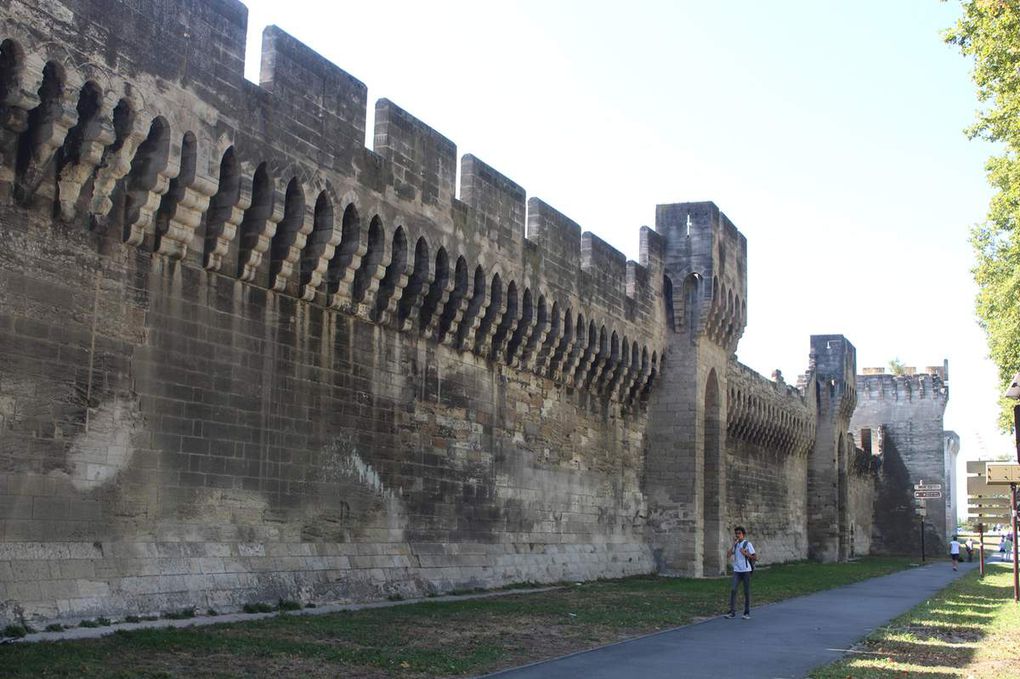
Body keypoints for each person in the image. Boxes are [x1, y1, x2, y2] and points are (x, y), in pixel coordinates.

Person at [725, 526, 756, 620]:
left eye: (739, 533)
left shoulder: (747, 544)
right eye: (736, 533)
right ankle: (732, 612)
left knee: (746, 592)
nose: (737, 535)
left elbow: (755, 557)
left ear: (743, 534)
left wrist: (745, 553)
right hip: (737, 571)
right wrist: (733, 545)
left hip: (746, 571)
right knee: (733, 590)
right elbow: (728, 555)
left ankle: (746, 613)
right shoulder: (736, 544)